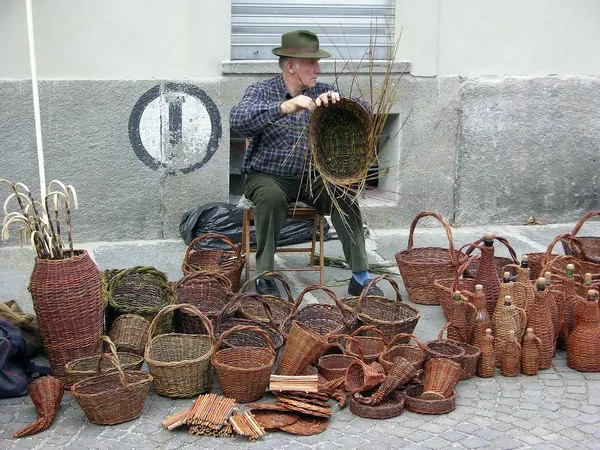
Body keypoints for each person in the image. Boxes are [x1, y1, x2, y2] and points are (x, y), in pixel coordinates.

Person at [230, 29, 383, 298]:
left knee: (343, 194)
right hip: (268, 176)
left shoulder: (323, 91)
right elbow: (238, 119)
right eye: (312, 63)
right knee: (271, 196)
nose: (318, 69)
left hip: (312, 179)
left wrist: (341, 103)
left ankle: (360, 276)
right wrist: (284, 107)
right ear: (291, 66)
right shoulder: (262, 91)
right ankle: (265, 274)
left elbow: (366, 111)